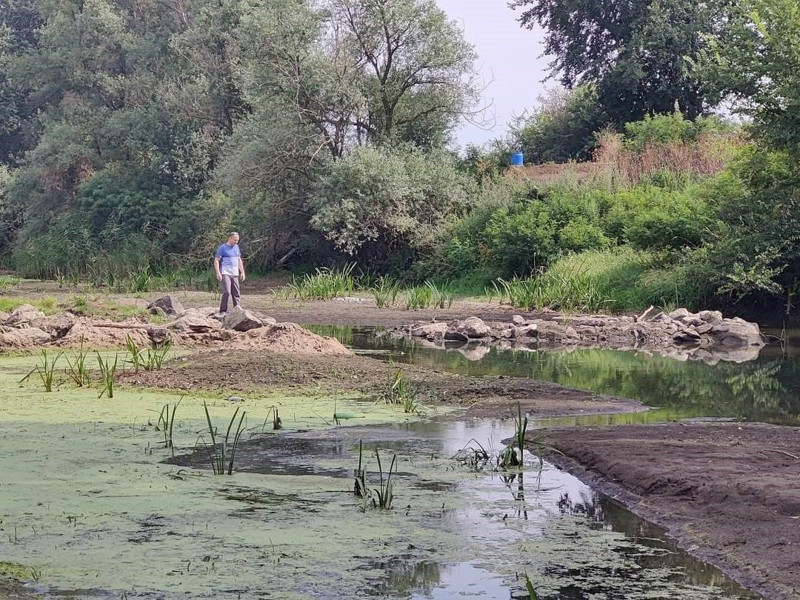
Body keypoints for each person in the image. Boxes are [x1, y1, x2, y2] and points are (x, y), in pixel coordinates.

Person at [214, 232, 246, 314]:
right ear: (230, 238)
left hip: (234, 272)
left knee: (236, 292)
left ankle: (237, 309)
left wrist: (242, 272)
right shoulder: (222, 248)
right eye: (235, 240)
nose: (236, 242)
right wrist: (218, 272)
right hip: (225, 272)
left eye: (237, 240)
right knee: (227, 292)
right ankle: (223, 310)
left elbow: (239, 260)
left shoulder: (236, 247)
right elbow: (216, 260)